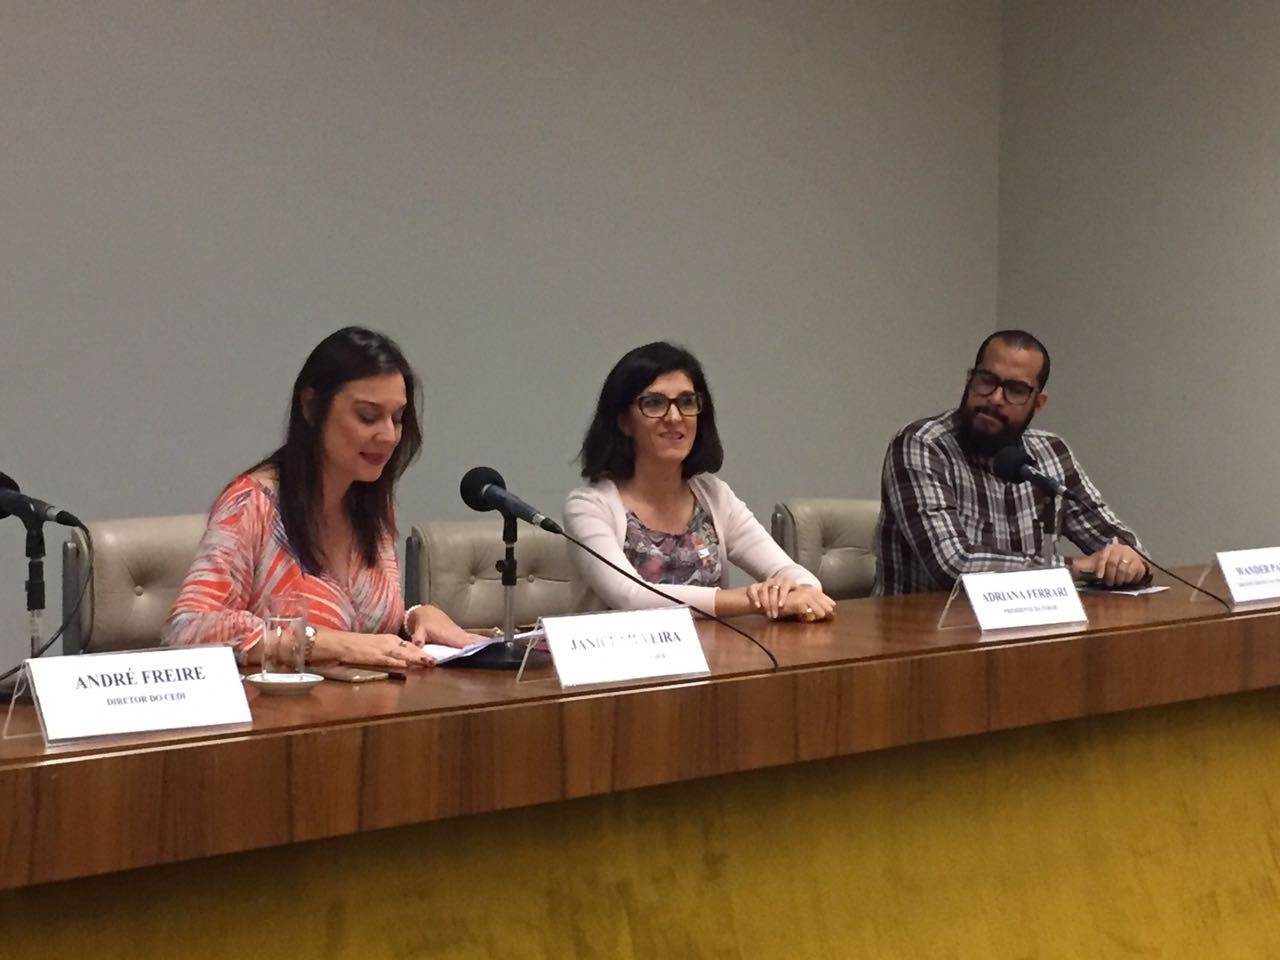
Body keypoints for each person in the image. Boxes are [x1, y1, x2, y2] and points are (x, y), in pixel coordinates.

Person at [164, 327, 476, 668]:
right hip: (281, 715)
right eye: (368, 416)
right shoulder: (251, 504)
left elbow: (364, 630)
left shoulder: (372, 505)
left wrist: (413, 618)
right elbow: (189, 630)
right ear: (312, 407)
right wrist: (323, 643)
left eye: (398, 418)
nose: (388, 435)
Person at [563, 341, 836, 621]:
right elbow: (630, 596)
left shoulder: (715, 496)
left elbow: (797, 576)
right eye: (654, 403)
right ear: (623, 421)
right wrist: (754, 600)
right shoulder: (588, 507)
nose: (674, 417)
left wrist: (797, 590)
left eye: (686, 402)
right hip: (621, 663)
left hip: (715, 661)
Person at [873, 329, 1149, 596]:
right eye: (986, 380)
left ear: (1037, 403)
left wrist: (1126, 558)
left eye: (1015, 390)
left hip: (1019, 630)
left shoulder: (1050, 452)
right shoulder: (923, 444)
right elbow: (952, 565)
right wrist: (1074, 568)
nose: (995, 398)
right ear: (969, 380)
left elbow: (1115, 537)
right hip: (920, 633)